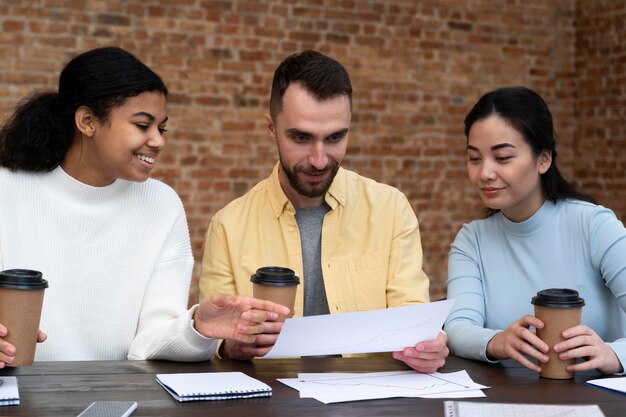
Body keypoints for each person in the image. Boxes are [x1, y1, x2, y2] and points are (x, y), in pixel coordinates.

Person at [0, 46, 288, 368]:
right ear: (87, 121)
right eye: (142, 125)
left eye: (161, 128)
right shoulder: (7, 190)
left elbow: (150, 340)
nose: (158, 141)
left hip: (118, 402)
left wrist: (197, 327)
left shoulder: (161, 205)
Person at [198, 50, 448, 373]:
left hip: (373, 400)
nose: (319, 159)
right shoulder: (227, 226)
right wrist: (232, 344)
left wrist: (426, 345)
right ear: (271, 127)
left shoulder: (391, 209)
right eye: (301, 138)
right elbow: (215, 344)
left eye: (335, 138)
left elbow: (413, 316)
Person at [444, 86, 626, 375]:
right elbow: (457, 328)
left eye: (502, 157)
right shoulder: (472, 241)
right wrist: (495, 340)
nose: (484, 173)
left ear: (543, 159)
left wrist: (615, 354)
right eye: (474, 158)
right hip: (507, 399)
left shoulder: (594, 226)